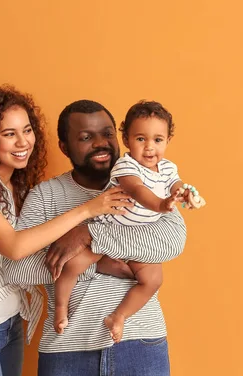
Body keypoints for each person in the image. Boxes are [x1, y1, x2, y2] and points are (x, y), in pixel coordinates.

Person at [0, 87, 130, 376]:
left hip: (11, 322)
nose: (23, 142)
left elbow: (36, 259)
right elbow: (15, 247)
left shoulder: (15, 186)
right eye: (10, 133)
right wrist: (89, 210)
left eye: (27, 130)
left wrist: (91, 254)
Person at [4, 99, 187, 376]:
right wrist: (100, 263)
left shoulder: (151, 182)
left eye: (106, 134)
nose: (100, 144)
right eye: (86, 137)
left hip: (142, 343)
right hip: (67, 349)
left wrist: (89, 235)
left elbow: (172, 240)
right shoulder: (47, 196)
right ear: (64, 146)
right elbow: (16, 268)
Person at [53, 100, 206, 342]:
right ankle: (61, 307)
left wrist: (186, 194)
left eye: (158, 140)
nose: (149, 148)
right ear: (126, 140)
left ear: (168, 141)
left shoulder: (166, 168)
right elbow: (136, 190)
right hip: (108, 229)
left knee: (154, 279)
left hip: (136, 241)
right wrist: (161, 204)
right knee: (71, 265)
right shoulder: (126, 166)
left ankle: (119, 316)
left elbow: (176, 186)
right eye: (140, 139)